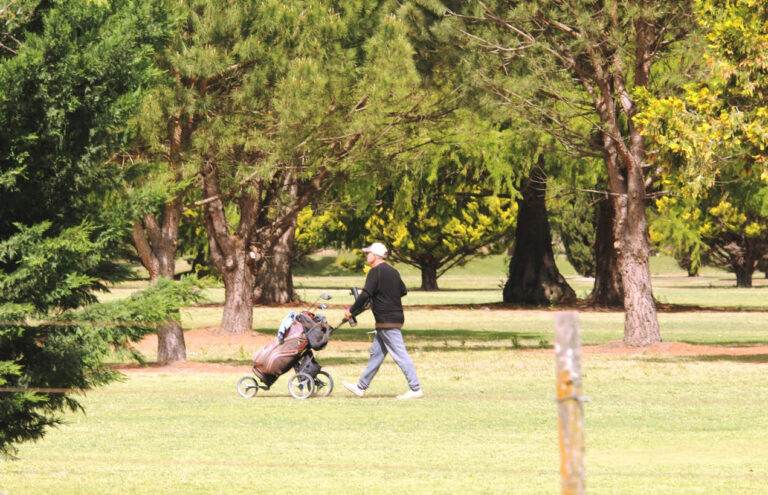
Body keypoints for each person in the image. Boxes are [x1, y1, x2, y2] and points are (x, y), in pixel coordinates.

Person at [343, 242, 423, 399]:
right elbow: (402, 291)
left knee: (400, 355)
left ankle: (415, 388)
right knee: (376, 354)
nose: (366, 256)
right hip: (393, 318)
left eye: (368, 254)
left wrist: (351, 311)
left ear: (375, 256)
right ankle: (361, 387)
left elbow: (365, 294)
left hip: (387, 320)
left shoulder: (375, 272)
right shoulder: (393, 271)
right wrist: (382, 297)